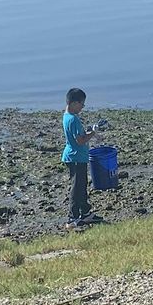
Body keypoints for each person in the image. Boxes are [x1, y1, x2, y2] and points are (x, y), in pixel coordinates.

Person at [61, 88, 103, 229]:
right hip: (76, 158)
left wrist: (90, 132)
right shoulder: (73, 119)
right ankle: (71, 218)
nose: (82, 107)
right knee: (77, 187)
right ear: (73, 103)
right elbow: (80, 140)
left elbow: (79, 135)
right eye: (81, 104)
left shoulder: (68, 116)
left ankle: (85, 213)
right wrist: (93, 133)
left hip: (77, 157)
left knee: (82, 185)